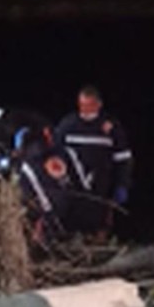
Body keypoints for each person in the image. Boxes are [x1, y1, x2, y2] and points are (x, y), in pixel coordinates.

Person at [53, 85, 133, 236]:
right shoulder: (67, 125)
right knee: (73, 223)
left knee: (100, 223)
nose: (85, 110)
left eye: (89, 105)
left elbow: (123, 158)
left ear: (98, 104)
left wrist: (122, 184)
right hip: (74, 187)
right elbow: (56, 154)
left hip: (102, 185)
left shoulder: (110, 126)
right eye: (82, 105)